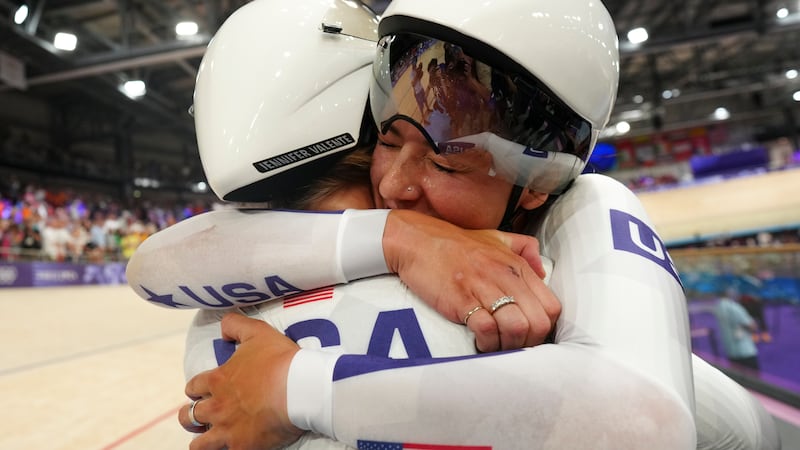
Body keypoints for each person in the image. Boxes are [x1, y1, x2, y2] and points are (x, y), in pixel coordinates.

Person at [126, 0, 780, 449]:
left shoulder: (586, 205)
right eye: (389, 139)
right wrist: (400, 238)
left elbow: (648, 420)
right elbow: (154, 265)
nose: (395, 185)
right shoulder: (396, 226)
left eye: (446, 160)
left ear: (539, 182)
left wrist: (294, 386)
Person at [713, 288, 761, 372]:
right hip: (745, 350)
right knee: (752, 378)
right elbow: (752, 326)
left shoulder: (718, 306)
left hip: (731, 350)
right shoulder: (735, 307)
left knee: (737, 377)